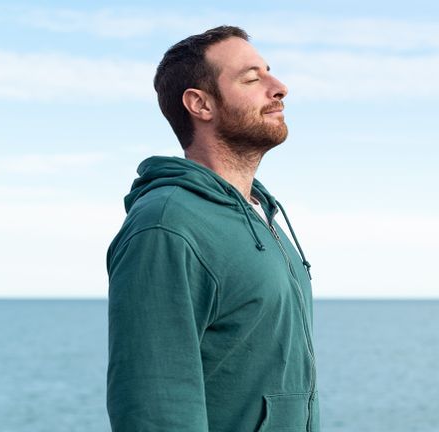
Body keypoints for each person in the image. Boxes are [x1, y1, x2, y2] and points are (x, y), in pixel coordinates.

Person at [106, 25, 319, 432]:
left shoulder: (261, 215)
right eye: (252, 79)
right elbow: (155, 408)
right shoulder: (166, 225)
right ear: (200, 104)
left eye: (269, 72)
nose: (280, 87)